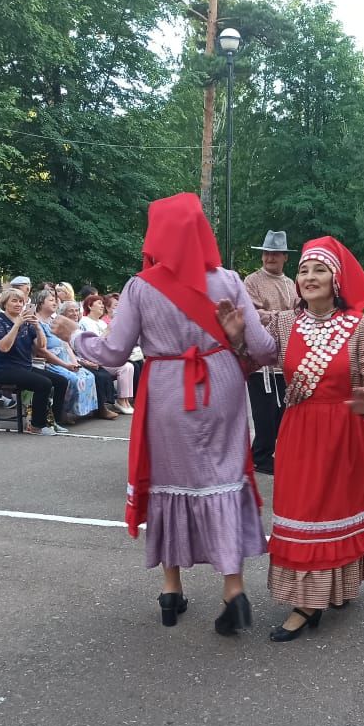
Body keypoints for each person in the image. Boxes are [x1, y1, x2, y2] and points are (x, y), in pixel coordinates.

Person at [71, 192, 276, 635]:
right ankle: (234, 590)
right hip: (221, 386)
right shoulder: (229, 280)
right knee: (223, 479)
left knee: (170, 484)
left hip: (166, 389)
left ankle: (170, 589)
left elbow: (112, 353)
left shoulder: (140, 287)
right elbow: (261, 348)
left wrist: (75, 338)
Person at [229, 236, 364, 642]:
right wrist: (237, 336)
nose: (308, 277)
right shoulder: (287, 323)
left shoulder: (363, 327)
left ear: (336, 278)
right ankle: (313, 596)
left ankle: (316, 599)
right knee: (303, 512)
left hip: (347, 434)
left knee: (338, 509)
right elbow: (259, 358)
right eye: (303, 270)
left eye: (318, 270)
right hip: (300, 433)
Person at [243, 229, 295, 474]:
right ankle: (260, 456)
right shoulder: (252, 281)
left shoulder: (291, 284)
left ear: (285, 257)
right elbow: (253, 315)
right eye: (266, 254)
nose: (269, 258)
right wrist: (282, 317)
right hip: (261, 361)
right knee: (264, 413)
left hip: (285, 358)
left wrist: (278, 317)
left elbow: (299, 313)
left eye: (275, 254)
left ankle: (275, 451)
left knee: (283, 411)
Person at [0, 288, 68, 435]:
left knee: (61, 381)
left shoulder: (26, 322)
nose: (18, 304)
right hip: (4, 369)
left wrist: (37, 327)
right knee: (43, 384)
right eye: (14, 301)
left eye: (21, 301)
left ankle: (54, 421)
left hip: (24, 367)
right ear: (5, 303)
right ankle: (37, 426)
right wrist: (16, 325)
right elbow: (3, 347)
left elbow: (41, 346)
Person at [78, 294, 134, 414]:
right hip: (94, 358)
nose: (102, 306)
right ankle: (120, 400)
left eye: (102, 304)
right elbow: (93, 344)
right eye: (99, 303)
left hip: (106, 357)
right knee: (124, 367)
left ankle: (125, 400)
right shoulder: (84, 322)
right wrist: (108, 331)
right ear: (89, 306)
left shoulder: (101, 322)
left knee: (129, 366)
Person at [46, 315, 101, 423]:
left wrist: (75, 364)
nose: (54, 302)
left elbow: (67, 346)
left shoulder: (54, 321)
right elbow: (42, 351)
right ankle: (64, 412)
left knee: (88, 375)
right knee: (72, 378)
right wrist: (66, 365)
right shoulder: (41, 324)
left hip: (66, 359)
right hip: (52, 362)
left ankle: (84, 410)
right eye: (50, 300)